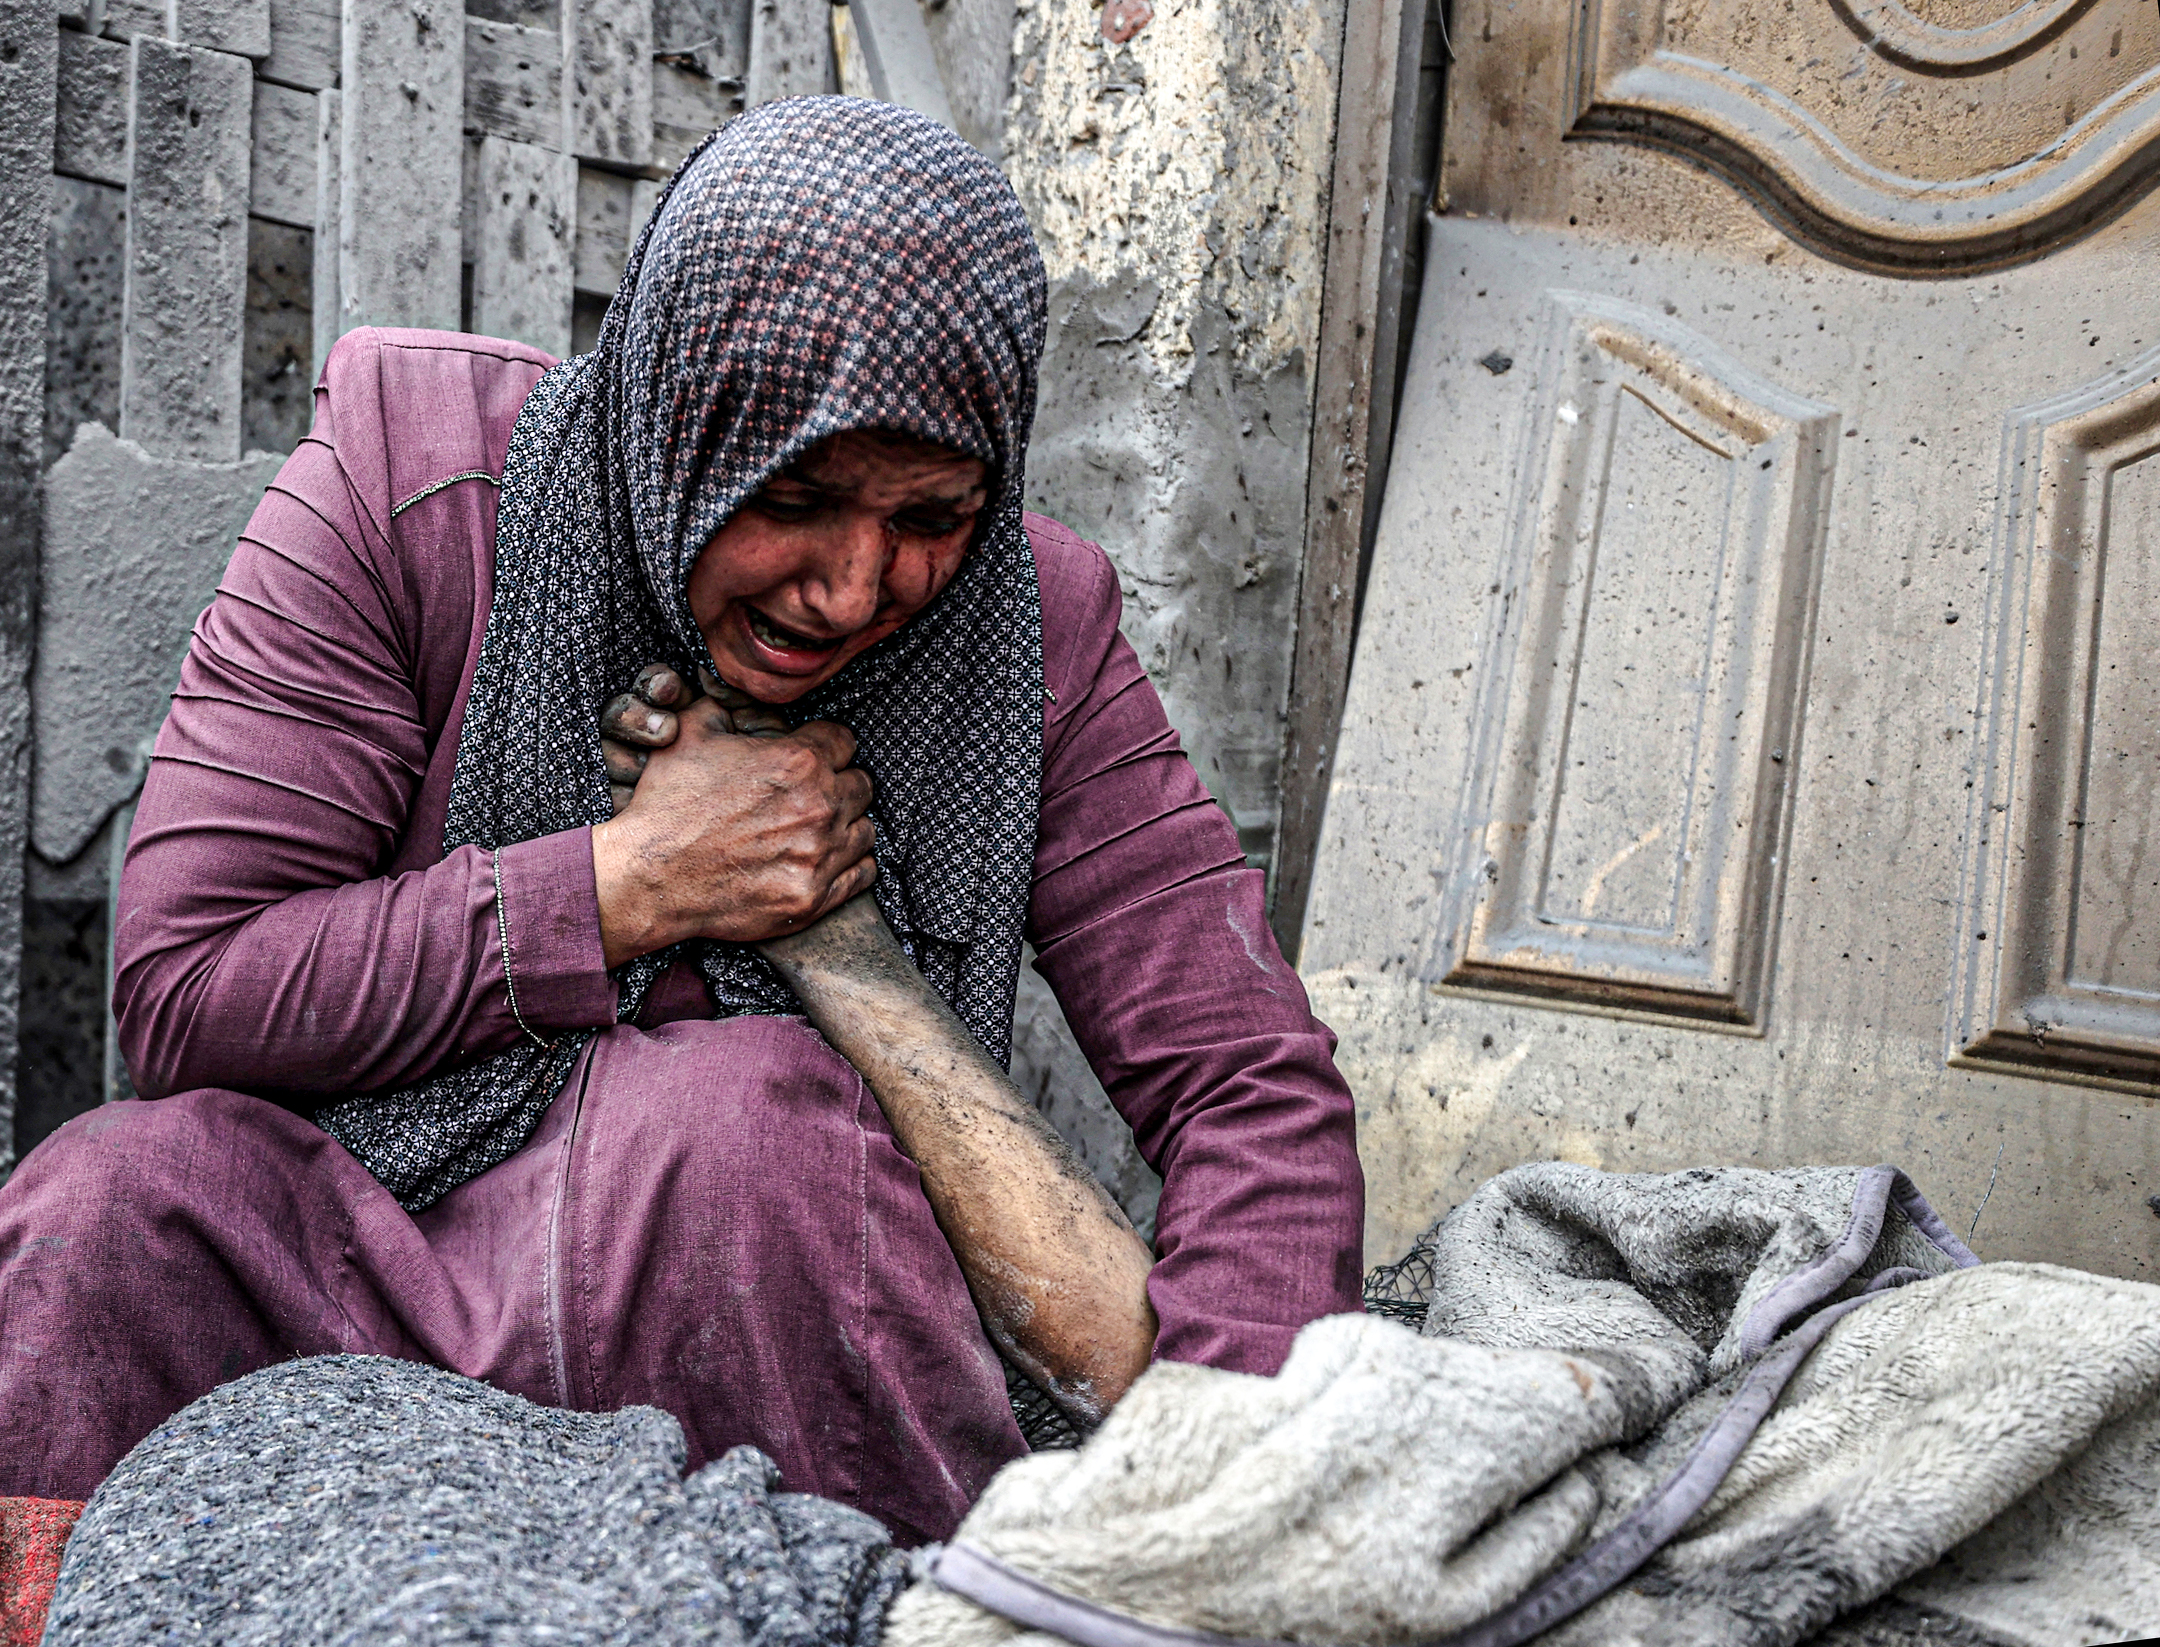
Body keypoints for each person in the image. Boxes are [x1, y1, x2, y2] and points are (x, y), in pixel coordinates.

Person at [0, 98, 1362, 1543]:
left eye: (931, 516)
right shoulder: (417, 487)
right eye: (795, 496)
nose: (853, 588)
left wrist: (1239, 1481)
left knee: (743, 1135)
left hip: (758, 1313)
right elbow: (190, 987)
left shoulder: (1035, 632)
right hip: (360, 1258)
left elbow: (1247, 1086)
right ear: (673, 414)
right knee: (114, 1206)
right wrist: (628, 885)